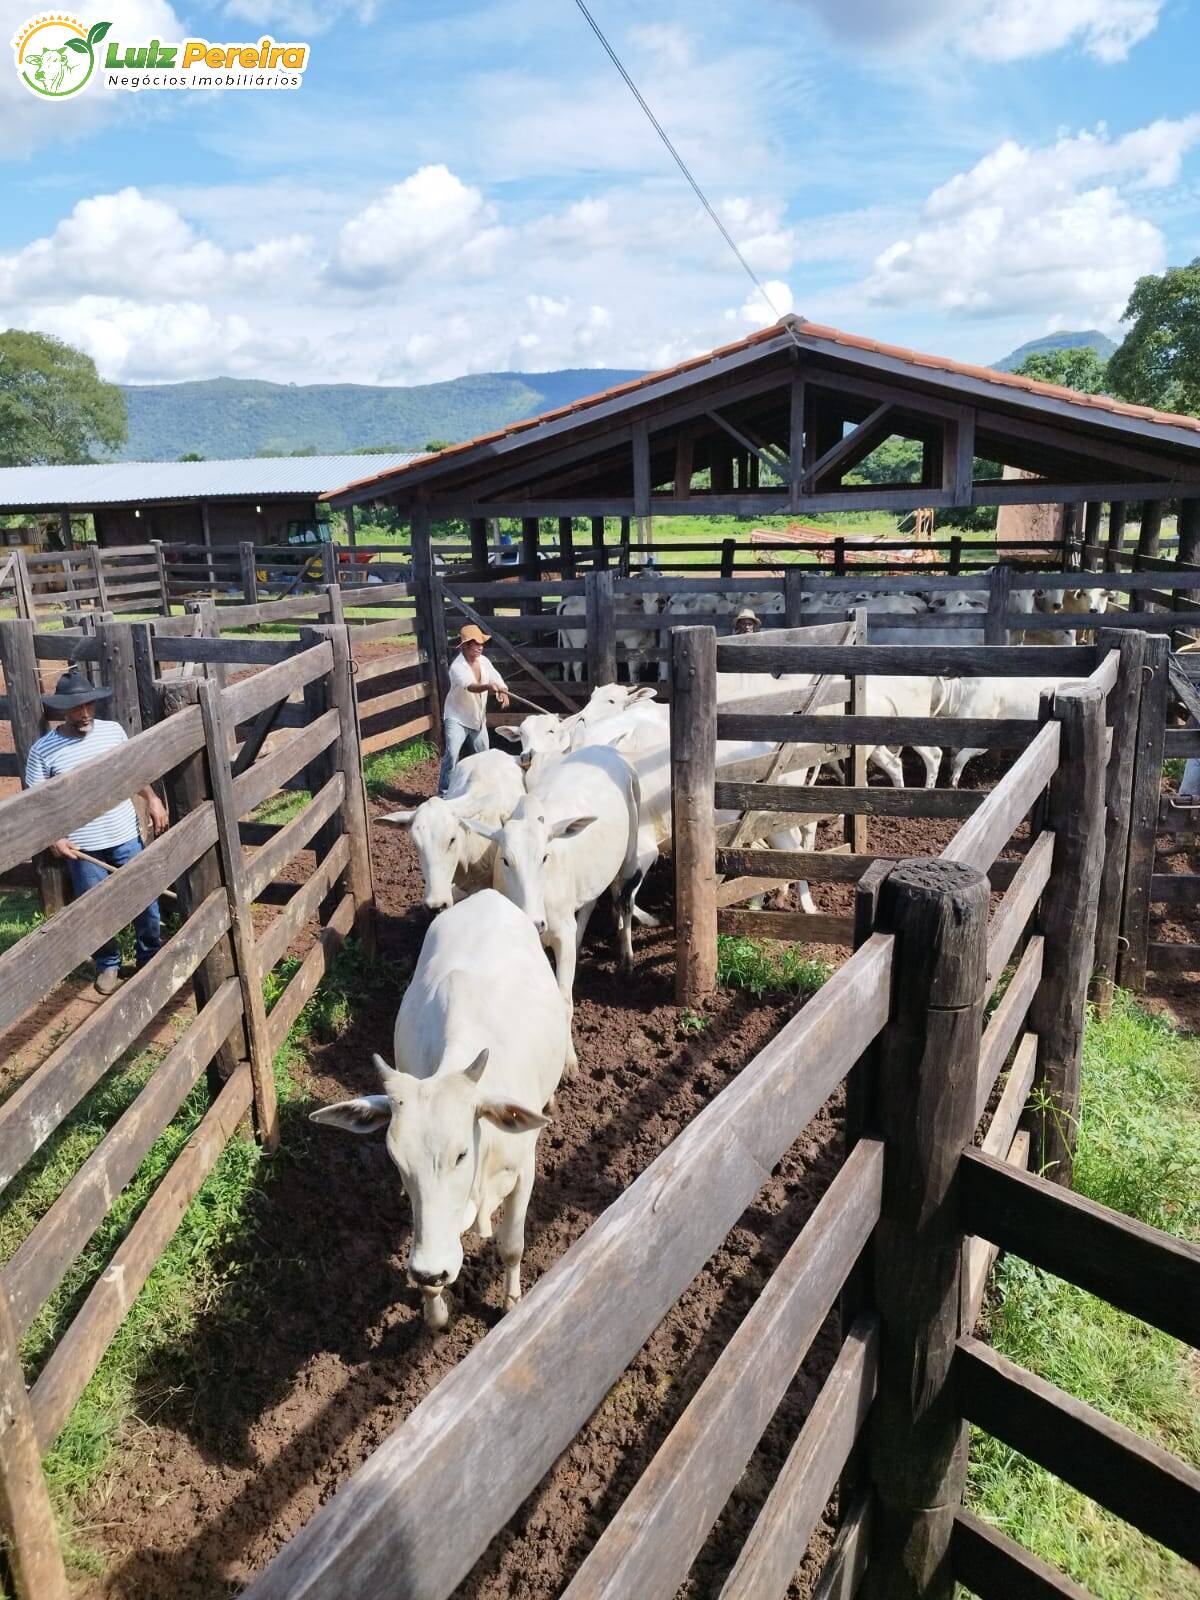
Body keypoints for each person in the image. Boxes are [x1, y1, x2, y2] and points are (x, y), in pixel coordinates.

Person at [25, 668, 169, 995]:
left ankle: (150, 954)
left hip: (123, 833)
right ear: (63, 709)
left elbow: (132, 769)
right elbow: (35, 804)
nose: (85, 713)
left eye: (89, 705)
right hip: (83, 845)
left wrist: (152, 798)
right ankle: (108, 964)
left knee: (144, 899)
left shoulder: (112, 732)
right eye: (77, 708)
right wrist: (53, 839)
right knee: (95, 909)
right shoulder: (43, 750)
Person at [438, 624, 510, 796]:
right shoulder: (457, 666)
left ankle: (488, 789)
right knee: (452, 753)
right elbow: (471, 686)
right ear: (465, 646)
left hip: (477, 719)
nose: (480, 647)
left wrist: (503, 692)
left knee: (485, 755)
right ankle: (444, 792)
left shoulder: (484, 662)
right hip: (457, 718)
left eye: (481, 643)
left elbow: (497, 679)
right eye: (475, 643)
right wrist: (488, 687)